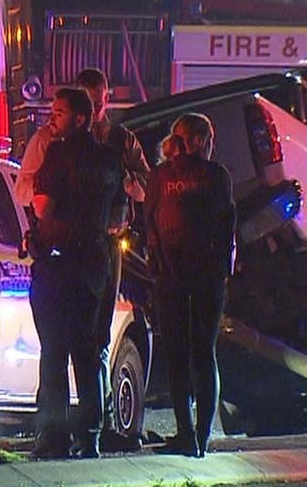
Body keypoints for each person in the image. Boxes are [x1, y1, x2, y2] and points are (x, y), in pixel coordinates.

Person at [29, 87, 122, 459]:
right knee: (87, 351)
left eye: (60, 112)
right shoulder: (110, 159)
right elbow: (119, 216)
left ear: (81, 118)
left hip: (58, 262)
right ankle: (91, 435)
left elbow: (42, 208)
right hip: (94, 263)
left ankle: (54, 437)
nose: (52, 117)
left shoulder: (58, 153)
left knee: (53, 351)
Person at [144, 113, 235, 458]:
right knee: (204, 353)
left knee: (177, 355)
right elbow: (227, 226)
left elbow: (149, 223)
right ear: (198, 141)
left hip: (170, 276)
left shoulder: (159, 176)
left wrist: (157, 263)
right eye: (209, 140)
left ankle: (185, 435)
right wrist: (225, 269)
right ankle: (203, 435)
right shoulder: (217, 176)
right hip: (208, 276)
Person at [75, 68, 150, 451]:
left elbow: (145, 187)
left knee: (101, 333)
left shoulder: (122, 141)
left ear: (106, 100)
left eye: (98, 100)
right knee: (76, 335)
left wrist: (125, 181)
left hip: (108, 242)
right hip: (76, 244)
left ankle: (99, 421)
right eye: (87, 101)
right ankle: (80, 423)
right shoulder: (67, 139)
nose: (94, 108)